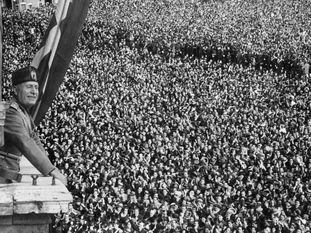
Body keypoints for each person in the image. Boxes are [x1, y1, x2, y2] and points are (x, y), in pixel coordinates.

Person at [0, 66, 67, 185]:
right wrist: (51, 171)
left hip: (8, 175)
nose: (34, 91)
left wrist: (51, 167)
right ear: (15, 90)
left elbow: (34, 139)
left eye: (36, 87)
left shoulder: (23, 111)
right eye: (29, 87)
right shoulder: (10, 112)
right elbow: (25, 142)